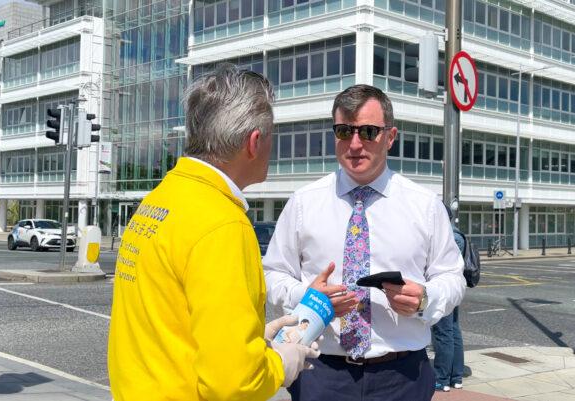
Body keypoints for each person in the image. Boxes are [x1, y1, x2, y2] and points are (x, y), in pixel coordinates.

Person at [108, 64, 319, 401]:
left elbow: (168, 319)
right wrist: (280, 362)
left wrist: (248, 344)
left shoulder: (160, 199)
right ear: (254, 142)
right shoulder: (223, 223)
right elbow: (233, 383)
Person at [263, 84, 466, 401]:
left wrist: (426, 298)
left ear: (390, 137)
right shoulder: (303, 203)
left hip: (402, 377)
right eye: (344, 131)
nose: (355, 144)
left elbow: (453, 277)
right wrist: (309, 297)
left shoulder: (424, 205)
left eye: (368, 131)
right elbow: (273, 273)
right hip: (320, 372)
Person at [431, 205, 467, 392]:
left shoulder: (450, 236)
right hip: (454, 289)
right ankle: (456, 377)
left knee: (442, 333)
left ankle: (441, 378)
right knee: (453, 331)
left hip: (444, 290)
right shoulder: (457, 234)